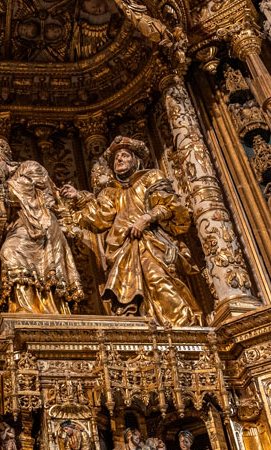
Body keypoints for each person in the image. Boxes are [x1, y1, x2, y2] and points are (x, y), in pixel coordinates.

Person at [62, 136, 201, 326]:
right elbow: (100, 217)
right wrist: (77, 196)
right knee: (126, 292)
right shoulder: (111, 191)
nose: (119, 160)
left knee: (158, 280)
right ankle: (140, 328)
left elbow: (173, 207)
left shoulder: (151, 178)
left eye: (124, 155)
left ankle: (184, 327)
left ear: (135, 159)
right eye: (116, 158)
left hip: (151, 242)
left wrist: (147, 218)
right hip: (122, 248)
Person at [0, 138, 83, 313]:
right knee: (10, 253)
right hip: (20, 227)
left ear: (5, 158)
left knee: (11, 252)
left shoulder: (30, 167)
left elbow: (22, 190)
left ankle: (39, 310)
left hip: (41, 226)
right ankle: (23, 307)